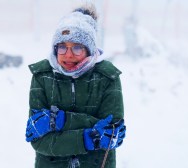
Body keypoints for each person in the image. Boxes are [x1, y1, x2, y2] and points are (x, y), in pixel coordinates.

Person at [25, 4, 126, 168]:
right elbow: (39, 141)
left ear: (89, 50)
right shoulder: (42, 76)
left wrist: (59, 121)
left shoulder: (107, 77)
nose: (69, 54)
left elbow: (111, 135)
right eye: (62, 47)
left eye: (77, 47)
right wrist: (90, 137)